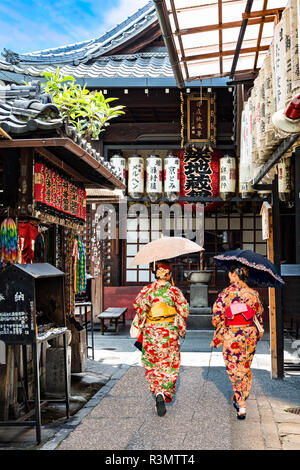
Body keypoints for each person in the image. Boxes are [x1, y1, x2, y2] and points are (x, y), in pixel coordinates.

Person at [132, 260, 189, 416]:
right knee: (170, 364)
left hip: (151, 332)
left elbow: (139, 308)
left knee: (153, 364)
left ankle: (157, 392)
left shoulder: (147, 290)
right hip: (169, 333)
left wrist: (147, 314)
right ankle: (164, 391)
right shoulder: (174, 291)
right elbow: (184, 310)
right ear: (169, 274)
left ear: (156, 274)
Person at [211, 264, 264, 420]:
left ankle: (241, 404)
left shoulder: (226, 293)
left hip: (232, 334)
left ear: (233, 275)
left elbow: (217, 315)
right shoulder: (253, 293)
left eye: (230, 273)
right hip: (249, 333)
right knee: (245, 365)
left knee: (234, 367)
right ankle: (243, 393)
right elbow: (259, 313)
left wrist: (220, 328)